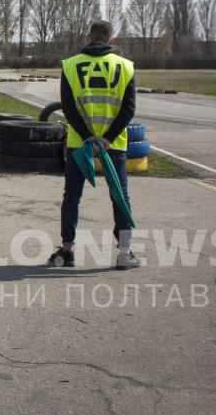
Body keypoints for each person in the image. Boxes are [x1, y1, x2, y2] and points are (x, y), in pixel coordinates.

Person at [48, 19, 140, 270]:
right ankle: (124, 252)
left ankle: (67, 250)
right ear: (111, 39)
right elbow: (128, 109)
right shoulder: (126, 66)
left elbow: (67, 107)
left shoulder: (70, 65)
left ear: (89, 36)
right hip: (114, 144)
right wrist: (107, 138)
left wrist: (88, 135)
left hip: (80, 142)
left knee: (72, 197)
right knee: (119, 197)